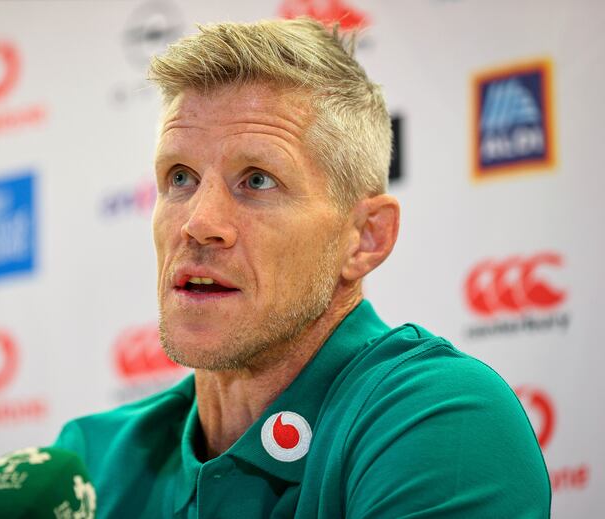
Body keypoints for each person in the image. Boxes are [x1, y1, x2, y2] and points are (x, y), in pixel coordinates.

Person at [55, 18, 551, 518]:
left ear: (366, 238)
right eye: (180, 177)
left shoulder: (445, 419)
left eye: (257, 180)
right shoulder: (87, 467)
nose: (198, 223)